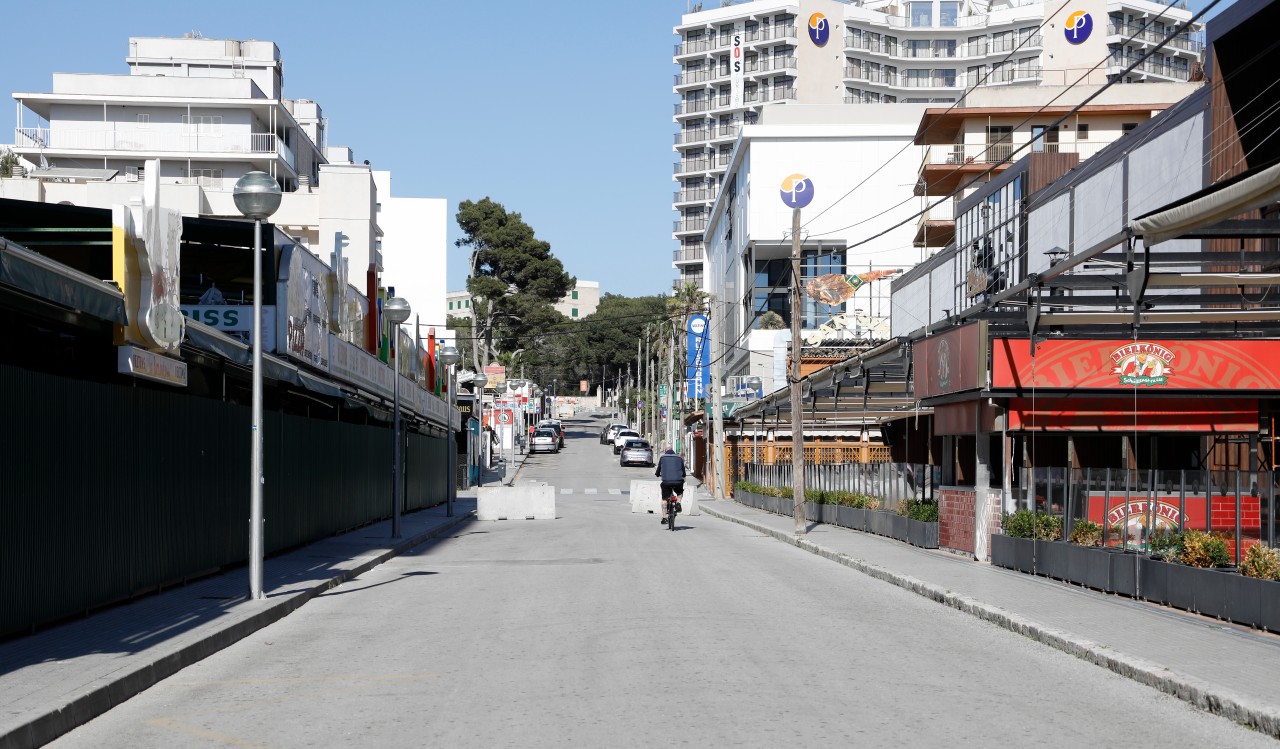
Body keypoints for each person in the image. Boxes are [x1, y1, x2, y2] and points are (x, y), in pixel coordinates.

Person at [655, 448, 685, 525]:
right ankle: (678, 502)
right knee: (679, 493)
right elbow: (683, 470)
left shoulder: (662, 458)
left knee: (664, 499)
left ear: (665, 452)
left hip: (666, 482)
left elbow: (658, 470)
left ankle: (664, 517)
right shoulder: (679, 458)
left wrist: (657, 474)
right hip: (678, 482)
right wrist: (683, 475)